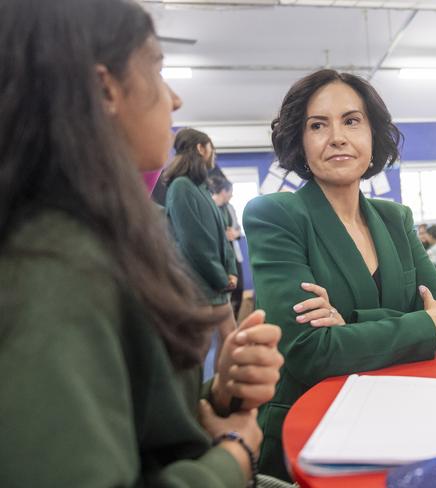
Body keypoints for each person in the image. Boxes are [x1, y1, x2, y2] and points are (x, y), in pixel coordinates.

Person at [0, 0, 285, 486]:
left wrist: (215, 396)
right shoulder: (56, 266)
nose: (173, 98)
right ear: (105, 88)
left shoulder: (92, 235)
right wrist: (233, 456)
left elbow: (126, 418)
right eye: (156, 68)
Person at [243, 69, 436, 480]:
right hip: (313, 428)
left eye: (351, 120)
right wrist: (422, 323)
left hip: (402, 415)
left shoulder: (394, 217)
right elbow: (309, 353)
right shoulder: (275, 215)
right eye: (317, 125)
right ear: (300, 140)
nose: (337, 137)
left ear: (373, 134)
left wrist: (348, 324)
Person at [164, 128, 238, 355]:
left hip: (216, 284)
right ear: (200, 148)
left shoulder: (201, 187)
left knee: (231, 340)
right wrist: (221, 277)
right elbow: (194, 242)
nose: (214, 154)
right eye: (211, 148)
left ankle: (225, 389)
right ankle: (205, 391)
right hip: (199, 285)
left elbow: (221, 236)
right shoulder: (181, 187)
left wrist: (231, 270)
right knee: (201, 348)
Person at [208, 175, 246, 319]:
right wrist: (223, 235)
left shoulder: (230, 207)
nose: (232, 195)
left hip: (234, 254)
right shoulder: (209, 206)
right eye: (230, 191)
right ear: (224, 191)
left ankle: (234, 318)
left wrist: (234, 233)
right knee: (223, 291)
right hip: (218, 256)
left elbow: (238, 228)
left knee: (239, 287)